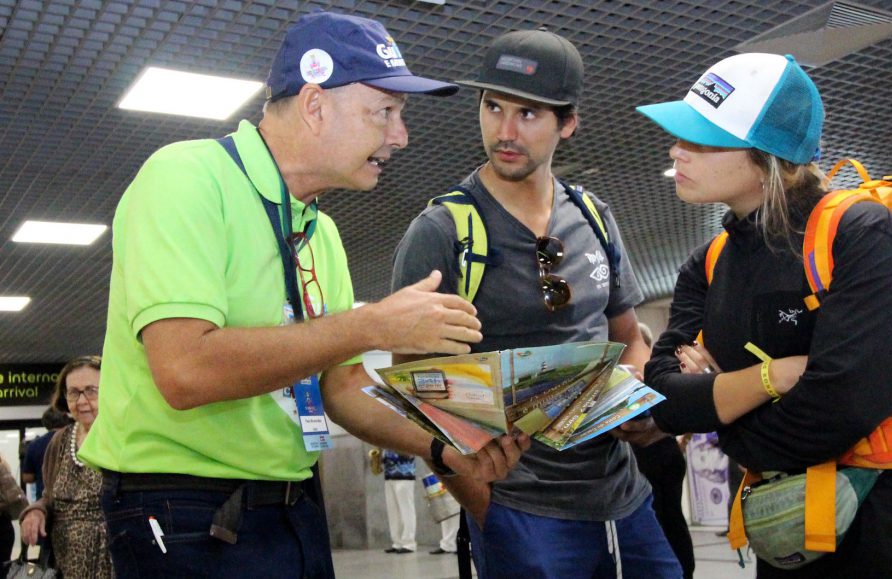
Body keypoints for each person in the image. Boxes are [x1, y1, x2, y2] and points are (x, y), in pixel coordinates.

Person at [77, 12, 528, 579]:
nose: (400, 136)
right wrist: (370, 327)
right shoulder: (185, 178)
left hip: (292, 505)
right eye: (385, 112)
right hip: (182, 508)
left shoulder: (321, 231)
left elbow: (341, 388)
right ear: (315, 106)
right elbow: (185, 371)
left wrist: (446, 446)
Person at [636, 52, 892, 577]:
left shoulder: (859, 236)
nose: (677, 151)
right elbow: (666, 399)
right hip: (789, 537)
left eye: (703, 140)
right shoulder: (709, 263)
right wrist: (772, 377)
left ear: (767, 155)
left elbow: (841, 407)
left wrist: (722, 405)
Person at [392, 29, 681, 579]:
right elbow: (414, 392)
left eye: (528, 114)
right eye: (493, 106)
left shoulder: (593, 215)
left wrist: (636, 406)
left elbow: (628, 340)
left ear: (568, 123)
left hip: (623, 496)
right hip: (522, 509)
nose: (504, 131)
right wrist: (481, 501)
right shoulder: (442, 232)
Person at [20, 356, 111, 578]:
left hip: (113, 558)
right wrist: (36, 511)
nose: (81, 401)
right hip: (64, 560)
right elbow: (49, 496)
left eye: (91, 390)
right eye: (73, 392)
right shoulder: (59, 441)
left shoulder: (122, 437)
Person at [631, 323, 695, 577]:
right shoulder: (659, 376)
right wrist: (680, 441)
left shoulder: (645, 377)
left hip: (653, 456)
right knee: (671, 517)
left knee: (663, 518)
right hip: (666, 454)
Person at [21, 407, 72, 501]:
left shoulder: (35, 445)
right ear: (66, 420)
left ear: (45, 423)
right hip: (72, 500)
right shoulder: (75, 441)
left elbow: (27, 477)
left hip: (45, 500)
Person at [382, 450, 417, 554]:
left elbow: (409, 453)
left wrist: (389, 444)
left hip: (405, 475)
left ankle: (409, 543)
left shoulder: (405, 434)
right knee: (393, 511)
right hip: (389, 476)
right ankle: (397, 542)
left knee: (406, 510)